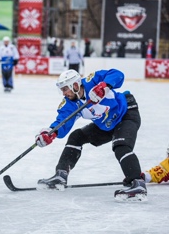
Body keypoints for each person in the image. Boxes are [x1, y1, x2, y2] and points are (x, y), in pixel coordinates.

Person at [35, 69, 147, 202]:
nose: (64, 93)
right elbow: (62, 121)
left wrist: (104, 86)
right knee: (76, 137)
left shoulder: (92, 81)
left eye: (65, 89)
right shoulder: (69, 103)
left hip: (126, 114)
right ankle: (61, 174)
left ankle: (137, 183)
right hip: (106, 124)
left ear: (75, 85)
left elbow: (118, 74)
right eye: (62, 90)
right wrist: (51, 132)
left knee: (120, 146)